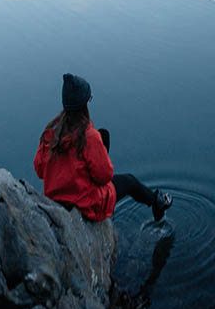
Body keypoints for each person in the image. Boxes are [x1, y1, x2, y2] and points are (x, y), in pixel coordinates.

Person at [34, 73, 172, 223]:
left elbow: (40, 170)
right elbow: (105, 176)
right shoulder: (88, 137)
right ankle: (156, 203)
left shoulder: (52, 133)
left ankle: (93, 167)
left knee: (103, 135)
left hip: (56, 197)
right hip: (86, 203)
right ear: (84, 104)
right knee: (130, 181)